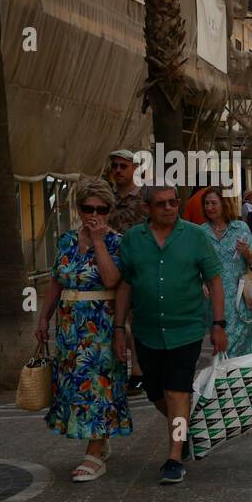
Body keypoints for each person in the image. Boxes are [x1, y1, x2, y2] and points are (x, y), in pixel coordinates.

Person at [113, 185, 227, 485]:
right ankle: (183, 427)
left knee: (177, 391)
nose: (169, 208)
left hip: (186, 328)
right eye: (161, 204)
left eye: (173, 203)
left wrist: (218, 324)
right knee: (156, 393)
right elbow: (125, 285)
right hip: (146, 331)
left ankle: (174, 456)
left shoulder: (195, 236)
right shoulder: (133, 239)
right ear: (146, 208)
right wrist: (118, 328)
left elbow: (214, 281)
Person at [36, 178, 132, 482]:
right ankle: (100, 443)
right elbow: (56, 280)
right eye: (88, 207)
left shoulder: (116, 242)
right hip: (68, 328)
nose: (94, 214)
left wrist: (98, 241)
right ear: (79, 208)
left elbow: (112, 280)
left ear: (109, 209)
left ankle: (93, 453)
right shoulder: (65, 240)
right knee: (75, 386)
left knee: (99, 386)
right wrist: (43, 318)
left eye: (101, 208)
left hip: (100, 326)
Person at [198, 188, 252, 358]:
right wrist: (201, 282)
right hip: (214, 299)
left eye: (213, 203)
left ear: (224, 204)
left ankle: (235, 380)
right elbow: (194, 264)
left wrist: (247, 252)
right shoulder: (200, 232)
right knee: (221, 343)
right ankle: (225, 379)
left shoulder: (240, 228)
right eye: (206, 204)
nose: (209, 207)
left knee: (239, 343)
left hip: (240, 296)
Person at [106, 150, 148, 394]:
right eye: (115, 166)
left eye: (123, 166)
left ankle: (138, 371)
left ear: (134, 168)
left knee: (135, 322)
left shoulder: (144, 199)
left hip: (137, 269)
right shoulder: (106, 200)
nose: (118, 170)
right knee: (115, 321)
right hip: (109, 268)